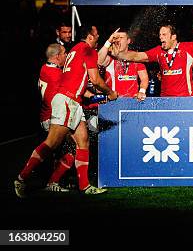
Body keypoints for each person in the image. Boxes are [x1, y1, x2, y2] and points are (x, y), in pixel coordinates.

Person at [15, 26, 118, 197]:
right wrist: (110, 93)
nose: (98, 35)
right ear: (90, 37)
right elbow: (96, 79)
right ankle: (21, 178)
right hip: (67, 101)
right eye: (96, 33)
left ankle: (84, 186)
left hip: (72, 101)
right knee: (51, 143)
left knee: (83, 141)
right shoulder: (87, 50)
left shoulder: (76, 49)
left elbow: (79, 79)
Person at [113, 11, 193, 97]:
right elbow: (137, 56)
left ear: (173, 37)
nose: (161, 37)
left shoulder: (187, 48)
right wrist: (119, 55)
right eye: (160, 35)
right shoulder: (158, 51)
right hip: (165, 100)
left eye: (164, 34)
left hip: (185, 99)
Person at [37, 43, 76, 192]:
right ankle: (53, 181)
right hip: (53, 118)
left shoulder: (44, 68)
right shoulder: (57, 75)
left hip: (47, 116)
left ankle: (57, 180)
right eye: (65, 53)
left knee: (59, 150)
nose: (66, 56)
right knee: (74, 148)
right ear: (57, 56)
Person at [98, 28, 148, 100]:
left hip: (132, 102)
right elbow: (99, 61)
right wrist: (109, 41)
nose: (118, 40)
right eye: (116, 38)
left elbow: (144, 78)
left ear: (128, 41)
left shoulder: (135, 57)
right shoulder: (110, 57)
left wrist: (142, 91)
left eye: (121, 37)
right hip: (114, 102)